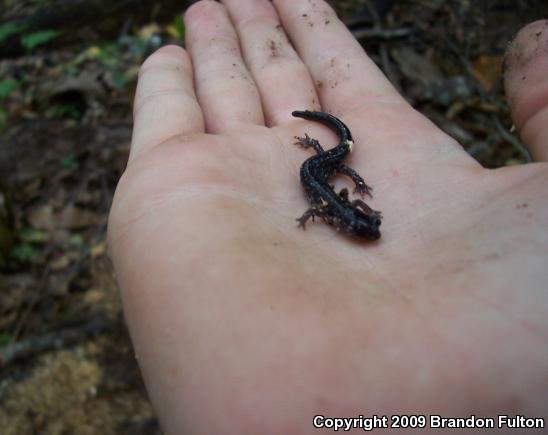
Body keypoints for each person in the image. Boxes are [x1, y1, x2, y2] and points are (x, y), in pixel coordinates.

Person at [108, 0, 548, 433]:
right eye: (365, 226)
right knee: (333, 159)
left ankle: (335, 139)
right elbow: (319, 209)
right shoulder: (328, 210)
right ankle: (326, 136)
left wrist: (354, 192)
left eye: (367, 227)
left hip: (327, 166)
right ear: (348, 224)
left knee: (341, 156)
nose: (368, 229)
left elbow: (330, 206)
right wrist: (320, 202)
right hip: (319, 165)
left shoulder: (336, 210)